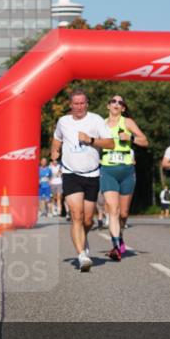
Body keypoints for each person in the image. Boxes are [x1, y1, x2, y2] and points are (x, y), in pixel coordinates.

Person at [49, 88, 114, 272]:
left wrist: (91, 140)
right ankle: (82, 254)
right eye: (75, 103)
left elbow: (110, 143)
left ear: (87, 104)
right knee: (76, 215)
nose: (78, 107)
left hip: (92, 173)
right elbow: (56, 140)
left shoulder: (96, 120)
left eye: (82, 103)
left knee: (88, 220)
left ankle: (82, 240)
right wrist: (55, 151)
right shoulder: (63, 121)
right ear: (71, 105)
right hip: (71, 173)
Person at [100, 95, 149, 260]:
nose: (116, 104)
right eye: (113, 101)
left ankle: (119, 235)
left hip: (126, 170)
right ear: (108, 106)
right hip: (107, 169)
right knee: (113, 210)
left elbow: (145, 141)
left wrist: (131, 138)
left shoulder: (127, 123)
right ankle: (115, 246)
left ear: (123, 108)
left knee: (124, 213)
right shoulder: (101, 124)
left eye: (120, 103)